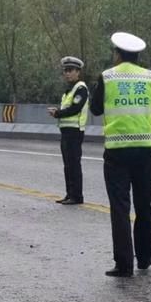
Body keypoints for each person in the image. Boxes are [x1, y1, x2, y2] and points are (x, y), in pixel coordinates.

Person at [89, 32, 151, 277]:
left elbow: (95, 109)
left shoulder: (108, 77)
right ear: (137, 56)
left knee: (120, 207)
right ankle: (145, 258)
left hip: (116, 152)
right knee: (143, 205)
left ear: (117, 54)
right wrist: (147, 123)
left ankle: (124, 264)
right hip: (145, 151)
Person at [47, 56, 89, 204]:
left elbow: (75, 109)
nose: (67, 73)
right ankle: (70, 194)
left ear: (78, 72)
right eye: (65, 71)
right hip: (66, 131)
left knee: (74, 164)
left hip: (75, 131)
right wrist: (57, 112)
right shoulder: (69, 91)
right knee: (68, 165)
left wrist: (57, 113)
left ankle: (77, 196)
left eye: (70, 70)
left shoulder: (81, 89)